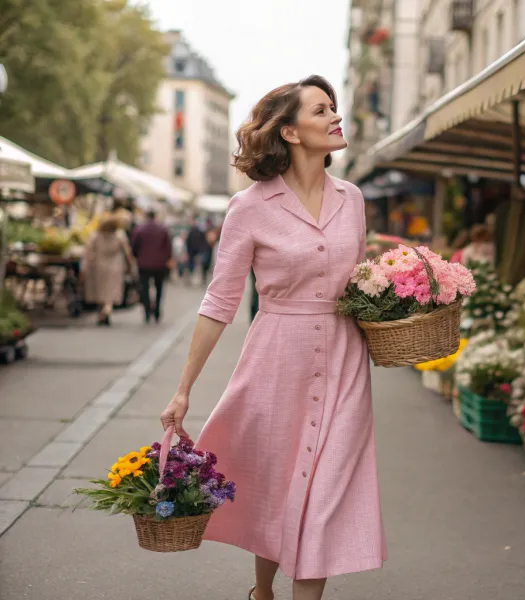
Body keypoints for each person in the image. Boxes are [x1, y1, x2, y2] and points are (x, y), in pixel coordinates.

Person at [159, 75, 385, 600]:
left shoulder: (352, 199)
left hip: (345, 355)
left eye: (334, 108)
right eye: (321, 110)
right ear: (289, 132)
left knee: (326, 490)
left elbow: (358, 279)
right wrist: (184, 388)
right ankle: (263, 592)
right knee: (280, 480)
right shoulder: (251, 207)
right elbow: (220, 301)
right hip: (276, 356)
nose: (335, 117)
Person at [81, 214, 135, 326]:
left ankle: (102, 312)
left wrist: (84, 268)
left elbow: (87, 252)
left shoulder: (95, 235)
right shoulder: (120, 235)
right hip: (115, 267)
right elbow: (127, 253)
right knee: (111, 291)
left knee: (100, 291)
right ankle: (107, 309)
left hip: (99, 267)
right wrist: (131, 266)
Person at [131, 209, 172, 324]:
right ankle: (157, 310)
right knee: (159, 288)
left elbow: (134, 246)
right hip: (160, 264)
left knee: (144, 288)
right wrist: (167, 259)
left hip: (143, 264)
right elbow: (168, 247)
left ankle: (147, 311)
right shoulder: (162, 229)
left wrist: (136, 256)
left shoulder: (140, 229)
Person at [186, 219, 211, 285]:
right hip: (194, 251)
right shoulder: (193, 231)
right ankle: (195, 279)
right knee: (194, 265)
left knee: (198, 265)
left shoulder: (197, 231)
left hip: (197, 251)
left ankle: (200, 279)